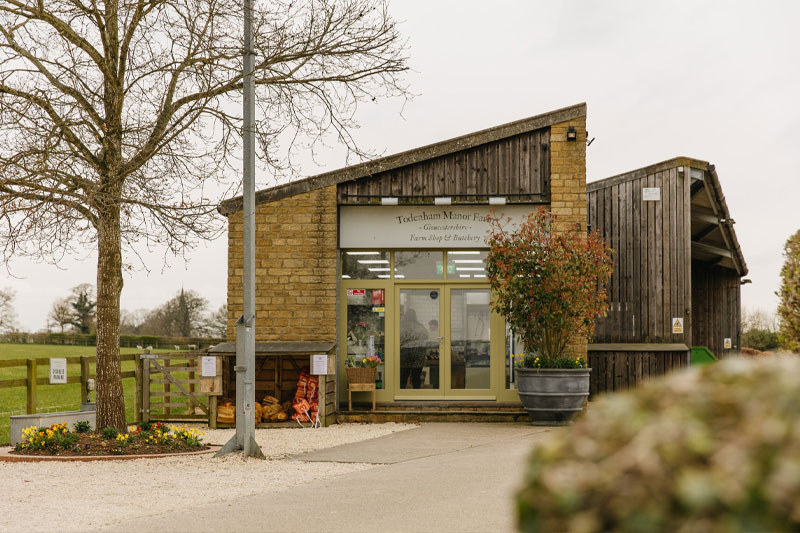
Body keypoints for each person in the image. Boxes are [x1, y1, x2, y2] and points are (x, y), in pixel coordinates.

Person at [400, 309, 429, 389]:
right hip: (418, 353)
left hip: (405, 353)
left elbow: (399, 338)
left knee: (403, 376)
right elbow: (426, 336)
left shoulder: (401, 325)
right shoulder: (419, 326)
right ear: (415, 316)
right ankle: (416, 393)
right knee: (416, 376)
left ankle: (401, 392)